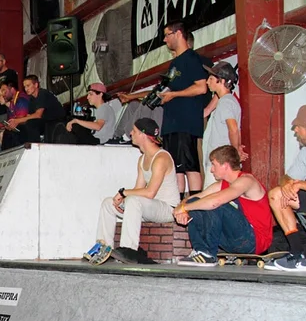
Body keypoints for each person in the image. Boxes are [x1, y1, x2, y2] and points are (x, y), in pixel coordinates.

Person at [118, 21, 208, 199]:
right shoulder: (174, 64)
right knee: (177, 168)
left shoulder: (191, 58)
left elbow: (201, 87)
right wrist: (132, 97)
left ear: (178, 34)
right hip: (171, 122)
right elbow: (160, 91)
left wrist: (174, 95)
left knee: (189, 165)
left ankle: (195, 203)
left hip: (185, 121)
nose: (165, 40)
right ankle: (179, 202)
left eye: (167, 35)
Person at [86, 118, 180, 265]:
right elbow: (138, 189)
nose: (130, 133)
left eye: (134, 131)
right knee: (108, 203)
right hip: (148, 207)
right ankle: (103, 247)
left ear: (143, 135)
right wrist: (122, 200)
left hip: (167, 209)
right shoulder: (142, 159)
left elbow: (150, 193)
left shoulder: (161, 158)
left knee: (132, 200)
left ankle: (128, 250)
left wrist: (124, 193)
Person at [173, 145, 272, 266]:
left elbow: (215, 201)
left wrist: (185, 208)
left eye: (214, 165)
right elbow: (196, 198)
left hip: (253, 241)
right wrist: (181, 208)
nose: (211, 170)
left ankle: (208, 253)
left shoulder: (247, 181)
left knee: (216, 203)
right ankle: (200, 251)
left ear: (225, 165)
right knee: (195, 203)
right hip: (232, 240)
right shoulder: (222, 184)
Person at [264, 105, 306, 272]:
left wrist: (301, 184)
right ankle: (296, 252)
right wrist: (287, 184)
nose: (295, 130)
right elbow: (287, 177)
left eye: (299, 126)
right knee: (276, 194)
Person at [201, 61, 247, 186]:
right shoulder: (224, 101)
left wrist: (236, 150)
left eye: (211, 78)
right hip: (220, 162)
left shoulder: (226, 102)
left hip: (220, 163)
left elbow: (233, 129)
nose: (207, 82)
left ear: (221, 81)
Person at [9, 75, 67, 144]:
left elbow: (38, 115)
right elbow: (29, 116)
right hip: (46, 122)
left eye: (28, 86)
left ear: (36, 85)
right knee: (20, 128)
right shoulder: (31, 99)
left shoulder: (42, 93)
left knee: (31, 124)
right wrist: (14, 123)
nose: (26, 89)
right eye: (24, 87)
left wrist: (18, 120)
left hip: (57, 121)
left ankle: (34, 147)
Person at [0, 81, 32, 149]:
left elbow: (19, 121)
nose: (2, 95)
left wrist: (3, 125)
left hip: (27, 130)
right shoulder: (11, 104)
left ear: (12, 89)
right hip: (20, 130)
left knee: (6, 134)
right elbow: (12, 123)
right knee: (3, 134)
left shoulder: (21, 100)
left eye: (3, 91)